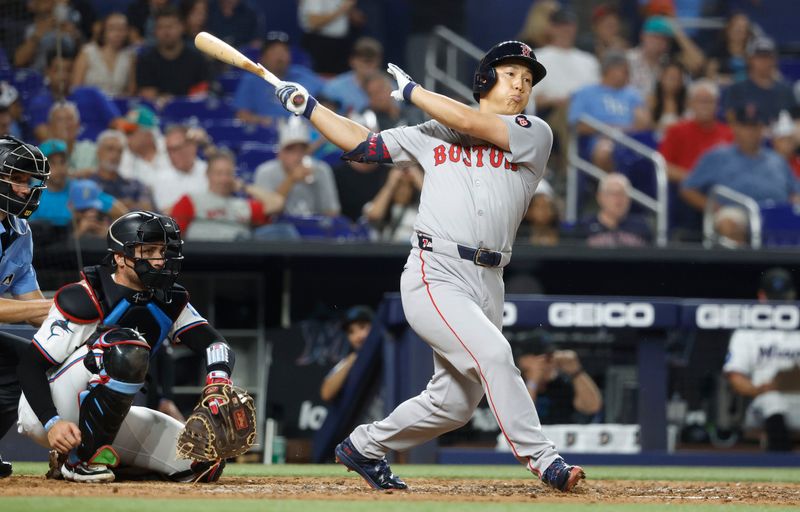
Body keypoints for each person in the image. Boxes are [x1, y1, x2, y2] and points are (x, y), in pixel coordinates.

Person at [274, 40, 585, 491]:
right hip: (434, 270)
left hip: (490, 279)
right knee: (495, 355)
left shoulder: (533, 131)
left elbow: (470, 121)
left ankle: (364, 445)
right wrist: (309, 106)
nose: (521, 84)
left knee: (455, 404)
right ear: (485, 78)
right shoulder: (431, 133)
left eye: (527, 78)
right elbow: (362, 144)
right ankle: (544, 460)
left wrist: (415, 93)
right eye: (511, 73)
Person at [16, 210, 238, 483]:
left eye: (163, 250)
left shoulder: (168, 299)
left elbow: (213, 341)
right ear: (120, 257)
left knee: (201, 460)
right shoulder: (86, 295)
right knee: (125, 345)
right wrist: (51, 422)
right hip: (51, 409)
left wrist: (218, 380)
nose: (159, 260)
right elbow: (30, 365)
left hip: (104, 419)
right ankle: (79, 461)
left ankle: (91, 458)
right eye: (149, 250)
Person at [0, 135, 54, 479]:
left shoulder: (20, 229)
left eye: (28, 181)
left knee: (29, 361)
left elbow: (34, 307)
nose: (25, 189)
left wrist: (88, 321)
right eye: (17, 179)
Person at [723, 268, 800, 451]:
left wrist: (788, 382)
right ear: (761, 296)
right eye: (774, 298)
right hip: (763, 403)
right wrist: (759, 389)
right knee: (772, 400)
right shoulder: (747, 331)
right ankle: (781, 464)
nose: (779, 303)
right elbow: (735, 377)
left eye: (783, 297)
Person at [681, 104, 800, 213]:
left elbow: (795, 190)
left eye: (755, 126)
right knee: (729, 221)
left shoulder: (777, 159)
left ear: (762, 130)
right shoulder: (717, 156)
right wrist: (717, 208)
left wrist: (794, 200)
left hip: (777, 214)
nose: (751, 132)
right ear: (735, 128)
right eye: (745, 127)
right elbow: (688, 189)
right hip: (736, 214)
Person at [170, 150, 283, 241]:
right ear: (208, 175)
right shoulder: (191, 200)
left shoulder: (243, 205)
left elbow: (277, 203)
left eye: (228, 173)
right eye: (219, 173)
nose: (224, 179)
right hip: (201, 260)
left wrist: (244, 187)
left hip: (239, 259)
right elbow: (172, 236)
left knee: (284, 231)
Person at [253, 117, 340, 217]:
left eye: (302, 150)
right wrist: (291, 180)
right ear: (280, 154)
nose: (297, 156)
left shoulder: (321, 170)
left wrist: (316, 183)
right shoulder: (265, 172)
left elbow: (332, 212)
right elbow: (263, 213)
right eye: (291, 150)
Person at [233, 31, 324, 127]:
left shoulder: (303, 75)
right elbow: (241, 115)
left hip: (303, 134)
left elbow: (328, 99)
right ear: (262, 57)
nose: (280, 55)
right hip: (266, 135)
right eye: (274, 51)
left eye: (284, 50)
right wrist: (264, 121)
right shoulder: (251, 80)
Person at [512, 330, 602, 425]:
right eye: (545, 359)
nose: (550, 363)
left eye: (551, 357)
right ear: (523, 360)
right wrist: (533, 380)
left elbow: (592, 407)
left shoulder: (561, 384)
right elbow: (521, 420)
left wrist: (576, 372)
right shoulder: (513, 382)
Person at [657, 79, 732, 184]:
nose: (704, 106)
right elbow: (663, 166)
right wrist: (696, 178)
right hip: (684, 189)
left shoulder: (730, 133)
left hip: (722, 189)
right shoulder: (676, 131)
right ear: (690, 103)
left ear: (717, 104)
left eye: (709, 101)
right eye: (700, 101)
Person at [135, 5, 210, 103]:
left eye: (170, 26)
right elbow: (148, 96)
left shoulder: (197, 59)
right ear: (155, 31)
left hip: (191, 112)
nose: (166, 32)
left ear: (182, 27)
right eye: (161, 27)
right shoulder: (145, 60)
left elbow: (202, 93)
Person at [723, 37, 797, 125]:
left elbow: (796, 120)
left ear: (774, 60)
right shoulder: (736, 89)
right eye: (759, 57)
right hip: (748, 136)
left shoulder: (786, 90)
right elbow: (730, 121)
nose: (764, 61)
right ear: (750, 60)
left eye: (768, 57)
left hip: (780, 136)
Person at [572, 173, 653, 247]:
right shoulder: (584, 225)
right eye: (613, 194)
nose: (619, 199)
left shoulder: (641, 226)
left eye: (623, 194)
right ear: (600, 197)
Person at [70, 12, 136, 97]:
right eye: (112, 29)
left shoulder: (130, 56)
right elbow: (76, 88)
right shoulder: (88, 52)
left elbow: (131, 92)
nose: (117, 34)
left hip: (117, 104)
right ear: (104, 31)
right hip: (90, 103)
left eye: (121, 29)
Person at [89, 130, 156, 212]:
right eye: (110, 149)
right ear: (98, 152)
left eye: (119, 151)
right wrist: (127, 205)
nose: (115, 155)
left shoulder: (135, 185)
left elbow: (148, 210)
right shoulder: (89, 185)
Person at [320, 305, 374, 402]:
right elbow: (326, 393)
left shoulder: (391, 350)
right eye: (351, 332)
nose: (358, 336)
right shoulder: (350, 360)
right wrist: (351, 361)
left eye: (362, 327)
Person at [363, 164, 423, 242]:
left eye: (408, 186)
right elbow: (374, 215)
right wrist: (391, 183)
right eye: (399, 184)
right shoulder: (378, 204)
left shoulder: (421, 209)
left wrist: (419, 179)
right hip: (383, 252)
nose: (403, 191)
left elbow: (439, 210)